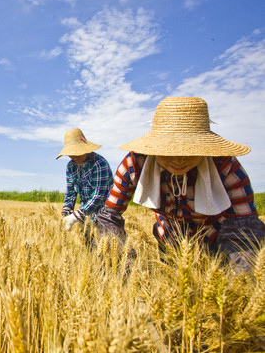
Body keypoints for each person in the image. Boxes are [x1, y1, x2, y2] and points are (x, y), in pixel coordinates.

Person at [96, 97, 265, 272]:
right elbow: (109, 216)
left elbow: (244, 228)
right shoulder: (134, 164)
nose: (178, 160)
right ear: (154, 148)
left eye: (189, 151)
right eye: (168, 151)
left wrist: (242, 282)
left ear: (205, 148)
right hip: (168, 235)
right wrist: (119, 262)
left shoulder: (225, 166)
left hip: (216, 235)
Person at [56, 128, 114, 230]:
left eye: (77, 152)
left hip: (105, 214)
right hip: (84, 214)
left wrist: (75, 216)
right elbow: (70, 193)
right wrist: (66, 212)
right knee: (86, 243)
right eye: (71, 153)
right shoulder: (70, 166)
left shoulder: (99, 164)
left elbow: (97, 196)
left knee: (106, 243)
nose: (74, 156)